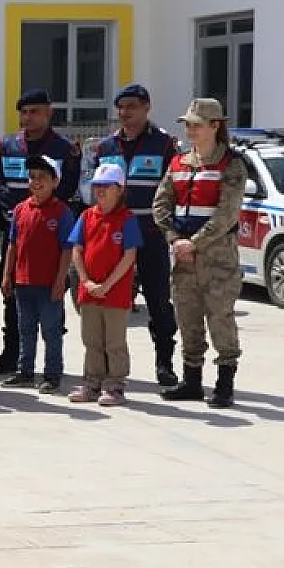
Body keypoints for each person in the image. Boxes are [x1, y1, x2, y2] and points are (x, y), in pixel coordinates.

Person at [154, 98, 248, 409]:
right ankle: (192, 381)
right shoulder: (179, 162)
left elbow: (227, 214)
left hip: (217, 256)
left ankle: (224, 383)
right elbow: (161, 204)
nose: (190, 130)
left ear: (215, 126)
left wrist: (194, 242)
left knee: (220, 318)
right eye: (188, 125)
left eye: (196, 124)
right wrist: (174, 239)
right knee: (188, 317)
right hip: (183, 255)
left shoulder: (232, 164)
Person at [0, 88, 82, 376]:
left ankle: (52, 365)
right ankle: (14, 356)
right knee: (12, 298)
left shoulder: (64, 149)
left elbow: (69, 187)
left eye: (35, 112)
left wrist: (46, 210)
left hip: (51, 235)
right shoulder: (7, 146)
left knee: (52, 303)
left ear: (48, 112)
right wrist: (10, 206)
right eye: (24, 112)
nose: (28, 118)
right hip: (17, 231)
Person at [91, 84, 180, 387]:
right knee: (109, 302)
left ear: (146, 107)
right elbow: (94, 191)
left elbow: (173, 191)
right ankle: (106, 366)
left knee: (158, 301)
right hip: (113, 237)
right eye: (121, 107)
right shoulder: (106, 147)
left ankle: (164, 363)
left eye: (131, 106)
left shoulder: (164, 144)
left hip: (150, 233)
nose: (125, 112)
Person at [0, 156, 74, 394]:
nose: (36, 181)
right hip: (23, 282)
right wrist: (7, 275)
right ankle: (25, 372)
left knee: (51, 331)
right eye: (32, 176)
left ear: (55, 181)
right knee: (26, 329)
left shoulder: (62, 212)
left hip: (49, 283)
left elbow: (67, 249)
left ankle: (52, 374)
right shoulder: (21, 209)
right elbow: (13, 244)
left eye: (42, 177)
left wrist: (61, 280)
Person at [70, 162, 142, 406]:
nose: (100, 190)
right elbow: (77, 250)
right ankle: (92, 383)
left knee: (114, 341)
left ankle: (115, 385)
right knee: (92, 340)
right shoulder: (86, 216)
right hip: (89, 291)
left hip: (115, 292)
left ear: (119, 189)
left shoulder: (127, 219)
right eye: (97, 185)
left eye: (106, 186)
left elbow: (129, 255)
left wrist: (108, 284)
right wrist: (85, 281)